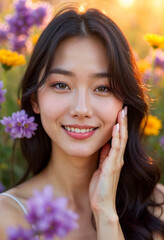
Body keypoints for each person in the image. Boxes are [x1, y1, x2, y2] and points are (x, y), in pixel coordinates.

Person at [0, 5, 164, 240]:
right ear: (35, 99)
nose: (81, 109)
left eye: (103, 88)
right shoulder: (8, 219)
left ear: (125, 103)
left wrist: (106, 213)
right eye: (61, 85)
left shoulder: (157, 210)